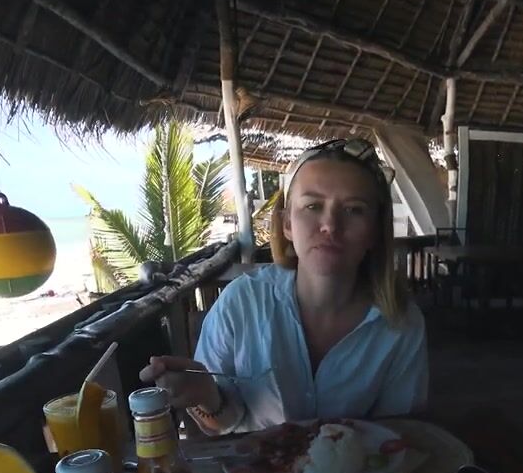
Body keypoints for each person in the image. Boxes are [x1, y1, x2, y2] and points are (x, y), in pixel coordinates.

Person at [139, 138, 428, 435]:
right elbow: (220, 427)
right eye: (313, 206)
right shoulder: (241, 303)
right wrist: (206, 395)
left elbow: (397, 436)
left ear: (375, 231)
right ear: (287, 223)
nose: (330, 225)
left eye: (354, 210)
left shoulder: (400, 323)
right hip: (255, 463)